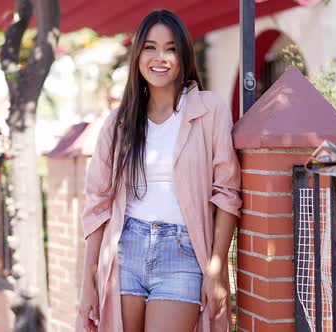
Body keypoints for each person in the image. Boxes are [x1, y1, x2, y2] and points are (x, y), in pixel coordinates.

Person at [77, 9, 242, 332]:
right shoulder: (118, 124)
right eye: (150, 47)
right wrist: (88, 285)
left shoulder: (210, 111)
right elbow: (97, 206)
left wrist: (216, 270)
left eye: (171, 48)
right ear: (137, 54)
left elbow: (227, 194)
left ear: (183, 56)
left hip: (182, 254)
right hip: (125, 252)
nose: (160, 57)